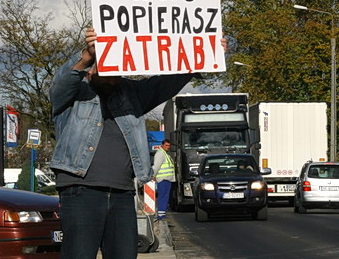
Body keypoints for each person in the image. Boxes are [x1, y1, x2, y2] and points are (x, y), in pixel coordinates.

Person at [50, 27, 221, 258]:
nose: (114, 76)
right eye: (107, 67)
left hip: (121, 192)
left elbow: (165, 84)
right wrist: (87, 55)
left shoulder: (131, 93)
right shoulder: (74, 92)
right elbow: (59, 84)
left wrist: (204, 55)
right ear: (92, 70)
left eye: (118, 70)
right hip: (80, 190)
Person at [151, 139, 175, 220]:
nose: (168, 147)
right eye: (166, 145)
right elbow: (156, 166)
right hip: (163, 179)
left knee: (165, 197)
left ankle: (162, 213)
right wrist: (153, 175)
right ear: (162, 145)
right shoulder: (160, 154)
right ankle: (161, 214)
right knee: (163, 196)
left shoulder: (165, 154)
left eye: (169, 145)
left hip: (167, 179)